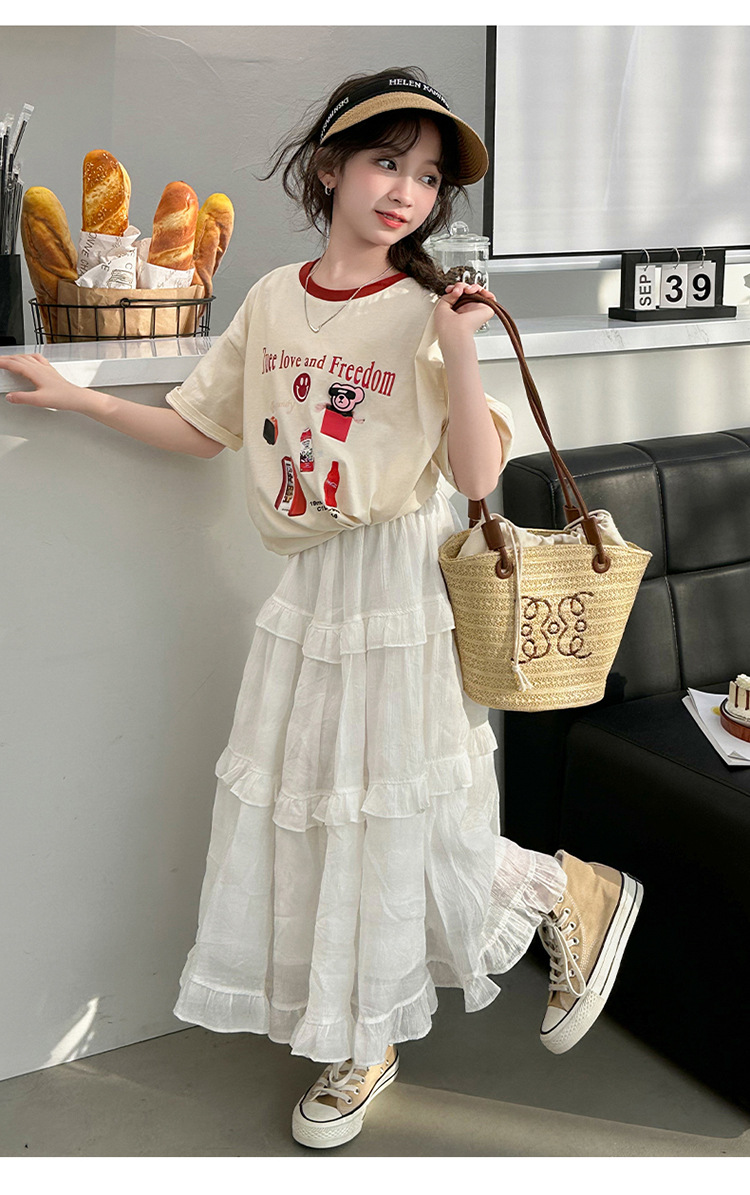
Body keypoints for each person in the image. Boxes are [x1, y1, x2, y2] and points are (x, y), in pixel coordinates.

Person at [1, 66, 643, 1152]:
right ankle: (433, 985)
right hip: (312, 585)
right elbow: (202, 430)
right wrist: (81, 399)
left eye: (428, 177)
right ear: (332, 167)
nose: (406, 191)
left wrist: (457, 345)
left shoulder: (426, 310)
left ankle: (448, 972)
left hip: (401, 587)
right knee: (322, 804)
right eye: (388, 162)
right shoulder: (271, 298)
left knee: (384, 808)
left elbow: (479, 476)